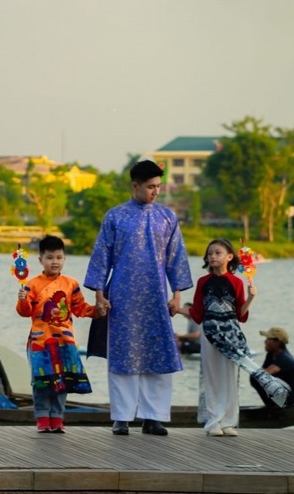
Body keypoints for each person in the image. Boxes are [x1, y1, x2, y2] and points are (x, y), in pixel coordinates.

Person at [84, 159, 193, 436]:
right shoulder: (115, 216)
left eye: (159, 186)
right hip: (122, 298)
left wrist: (176, 295)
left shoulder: (167, 217)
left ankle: (153, 417)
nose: (156, 191)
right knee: (123, 357)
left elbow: (175, 258)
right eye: (151, 187)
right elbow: (101, 257)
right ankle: (121, 417)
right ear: (135, 186)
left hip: (156, 298)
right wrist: (99, 295)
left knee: (158, 355)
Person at [16, 235, 102, 433]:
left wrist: (98, 310)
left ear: (64, 259)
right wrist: (22, 299)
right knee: (42, 380)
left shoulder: (71, 284)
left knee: (63, 379)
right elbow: (24, 312)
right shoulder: (31, 284)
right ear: (41, 260)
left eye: (59, 257)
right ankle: (42, 418)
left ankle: (57, 417)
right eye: (49, 258)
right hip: (40, 341)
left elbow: (80, 308)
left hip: (65, 341)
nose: (54, 262)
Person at [177, 239, 257, 437]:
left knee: (229, 376)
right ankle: (213, 420)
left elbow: (241, 315)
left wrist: (250, 298)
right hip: (209, 332)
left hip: (231, 333)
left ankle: (229, 421)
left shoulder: (237, 282)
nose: (212, 256)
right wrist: (178, 310)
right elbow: (197, 312)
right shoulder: (203, 282)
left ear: (229, 257)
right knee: (212, 376)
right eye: (210, 253)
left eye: (217, 253)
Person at [251, 327, 294, 408]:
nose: (265, 341)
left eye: (268, 339)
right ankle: (271, 405)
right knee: (255, 378)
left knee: (258, 378)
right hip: (282, 389)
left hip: (289, 397)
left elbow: (265, 373)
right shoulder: (271, 355)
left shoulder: (284, 358)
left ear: (277, 342)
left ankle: (277, 407)